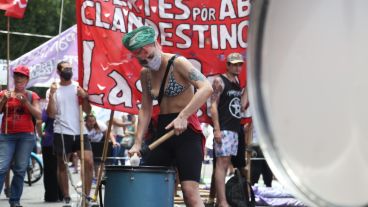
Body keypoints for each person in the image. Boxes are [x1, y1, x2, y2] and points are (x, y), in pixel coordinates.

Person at [123, 26, 213, 207]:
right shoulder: (145, 73)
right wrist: (138, 142)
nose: (147, 61)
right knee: (153, 187)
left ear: (156, 43)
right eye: (142, 60)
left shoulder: (178, 63)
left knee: (189, 192)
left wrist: (183, 116)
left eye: (148, 56)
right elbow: (146, 108)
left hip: (186, 130)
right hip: (162, 131)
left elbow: (206, 88)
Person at [46, 61, 94, 205]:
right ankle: (66, 197)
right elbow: (51, 114)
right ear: (59, 72)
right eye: (66, 69)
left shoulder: (78, 87)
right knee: (62, 164)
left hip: (80, 131)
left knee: (88, 162)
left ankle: (86, 196)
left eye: (70, 69)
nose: (69, 71)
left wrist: (84, 96)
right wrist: (52, 95)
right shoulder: (53, 89)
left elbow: (87, 111)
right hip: (62, 131)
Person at [0, 65, 41, 207]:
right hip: (7, 135)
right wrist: (3, 100)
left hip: (26, 136)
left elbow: (39, 115)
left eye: (22, 76)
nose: (18, 78)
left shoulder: (31, 95)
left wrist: (26, 103)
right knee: (1, 167)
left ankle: (15, 200)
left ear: (27, 79)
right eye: (16, 75)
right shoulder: (5, 93)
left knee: (20, 169)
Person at [210, 53, 244, 207]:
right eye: (235, 64)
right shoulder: (219, 80)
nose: (238, 67)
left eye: (240, 64)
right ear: (228, 65)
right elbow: (213, 105)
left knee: (226, 163)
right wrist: (217, 129)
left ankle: (220, 200)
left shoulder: (237, 82)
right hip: (224, 128)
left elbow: (241, 106)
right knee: (221, 164)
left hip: (234, 128)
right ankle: (222, 201)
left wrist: (249, 88)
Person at [37, 106, 63, 202]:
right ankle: (63, 195)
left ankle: (51, 196)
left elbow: (39, 121)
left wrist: (40, 134)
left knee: (49, 170)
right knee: (61, 168)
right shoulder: (64, 107)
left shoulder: (47, 109)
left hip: (49, 141)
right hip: (63, 140)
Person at [84, 113, 107, 180]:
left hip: (100, 142)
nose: (92, 123)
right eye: (90, 121)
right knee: (91, 160)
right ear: (86, 121)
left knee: (99, 159)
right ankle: (93, 176)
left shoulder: (100, 124)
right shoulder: (82, 126)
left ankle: (99, 176)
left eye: (93, 121)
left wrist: (113, 142)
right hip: (89, 144)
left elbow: (108, 133)